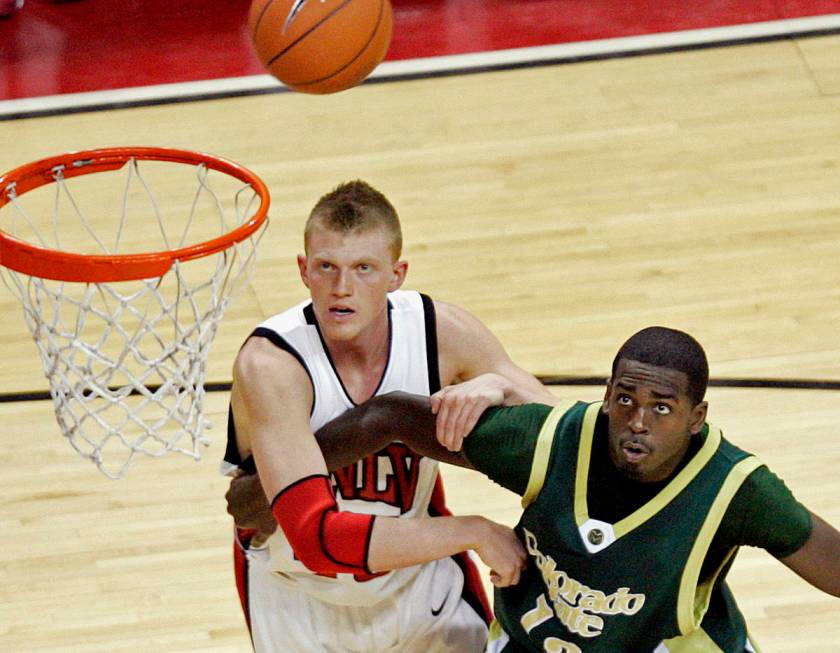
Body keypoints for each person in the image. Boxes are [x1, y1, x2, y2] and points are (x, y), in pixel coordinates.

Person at [307, 326, 840, 652]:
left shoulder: (737, 489)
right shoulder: (544, 440)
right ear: (607, 396)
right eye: (627, 399)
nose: (637, 421)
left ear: (697, 416)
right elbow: (390, 415)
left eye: (662, 407)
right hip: (532, 641)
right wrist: (266, 495)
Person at [223, 180, 556, 652]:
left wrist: (496, 385)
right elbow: (316, 540)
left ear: (396, 274)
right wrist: (473, 530)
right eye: (326, 267)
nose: (342, 288)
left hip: (419, 586)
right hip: (299, 595)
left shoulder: (444, 333)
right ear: (303, 270)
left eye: (364, 268)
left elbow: (567, 439)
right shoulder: (272, 364)